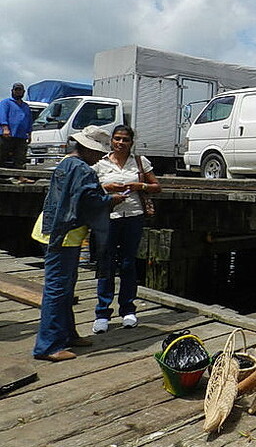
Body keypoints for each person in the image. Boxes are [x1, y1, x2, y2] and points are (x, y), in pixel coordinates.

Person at [33, 126, 124, 362]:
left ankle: (67, 334)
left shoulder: (67, 162)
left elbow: (75, 194)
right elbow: (90, 202)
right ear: (87, 148)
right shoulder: (83, 169)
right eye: (99, 152)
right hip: (64, 236)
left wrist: (102, 189)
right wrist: (111, 200)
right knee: (57, 290)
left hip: (50, 228)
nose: (101, 156)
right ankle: (48, 346)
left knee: (65, 288)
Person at [92, 124, 161, 333]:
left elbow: (157, 187)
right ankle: (102, 312)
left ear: (132, 142)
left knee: (128, 263)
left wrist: (142, 187)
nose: (121, 143)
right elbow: (89, 188)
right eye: (117, 139)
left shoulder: (140, 162)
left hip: (133, 217)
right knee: (106, 264)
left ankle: (128, 309)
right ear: (111, 140)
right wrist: (107, 188)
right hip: (108, 218)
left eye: (125, 140)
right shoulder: (100, 163)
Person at [0, 82, 33, 169]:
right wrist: (5, 128)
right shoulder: (5, 102)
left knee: (20, 157)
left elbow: (29, 119)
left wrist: (29, 133)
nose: (18, 92)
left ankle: (20, 176)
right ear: (12, 91)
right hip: (8, 134)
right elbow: (2, 115)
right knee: (2, 154)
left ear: (23, 92)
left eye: (20, 90)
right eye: (16, 90)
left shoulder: (25, 106)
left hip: (21, 135)